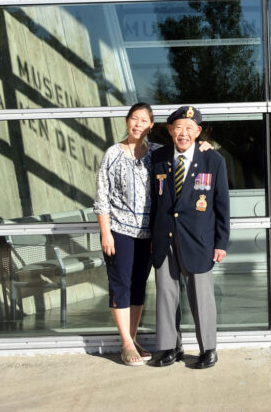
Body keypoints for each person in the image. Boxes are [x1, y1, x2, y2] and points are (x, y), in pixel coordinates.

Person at [93, 102, 211, 366]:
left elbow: (186, 148)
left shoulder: (158, 153)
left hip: (149, 234)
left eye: (144, 120)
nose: (138, 124)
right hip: (120, 231)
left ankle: (133, 338)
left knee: (138, 287)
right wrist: (105, 233)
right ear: (127, 121)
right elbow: (101, 197)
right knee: (121, 285)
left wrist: (205, 145)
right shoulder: (112, 154)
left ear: (151, 126)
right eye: (134, 118)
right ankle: (125, 342)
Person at [148, 105, 230, 370]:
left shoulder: (213, 160)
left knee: (202, 298)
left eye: (189, 128)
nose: (183, 133)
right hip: (164, 238)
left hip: (199, 241)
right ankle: (170, 347)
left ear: (198, 132)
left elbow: (222, 205)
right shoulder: (158, 157)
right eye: (178, 127)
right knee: (166, 295)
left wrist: (221, 243)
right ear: (170, 130)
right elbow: (154, 201)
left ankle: (208, 349)